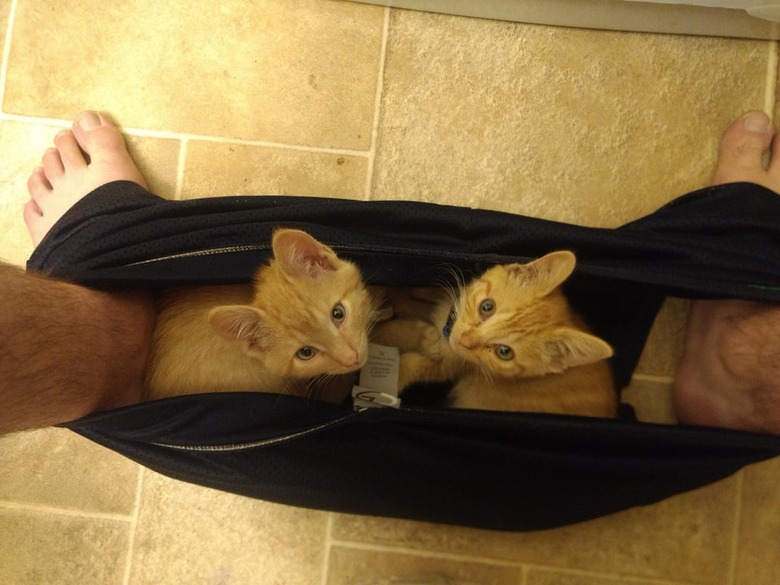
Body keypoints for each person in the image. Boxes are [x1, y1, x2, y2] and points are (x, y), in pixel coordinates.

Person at [1, 110, 779, 436]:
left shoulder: (337, 294)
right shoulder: (308, 315)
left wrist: (405, 351)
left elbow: (424, 347)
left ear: (318, 256)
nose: (344, 356)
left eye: (338, 321)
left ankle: (93, 321)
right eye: (316, 350)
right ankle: (97, 339)